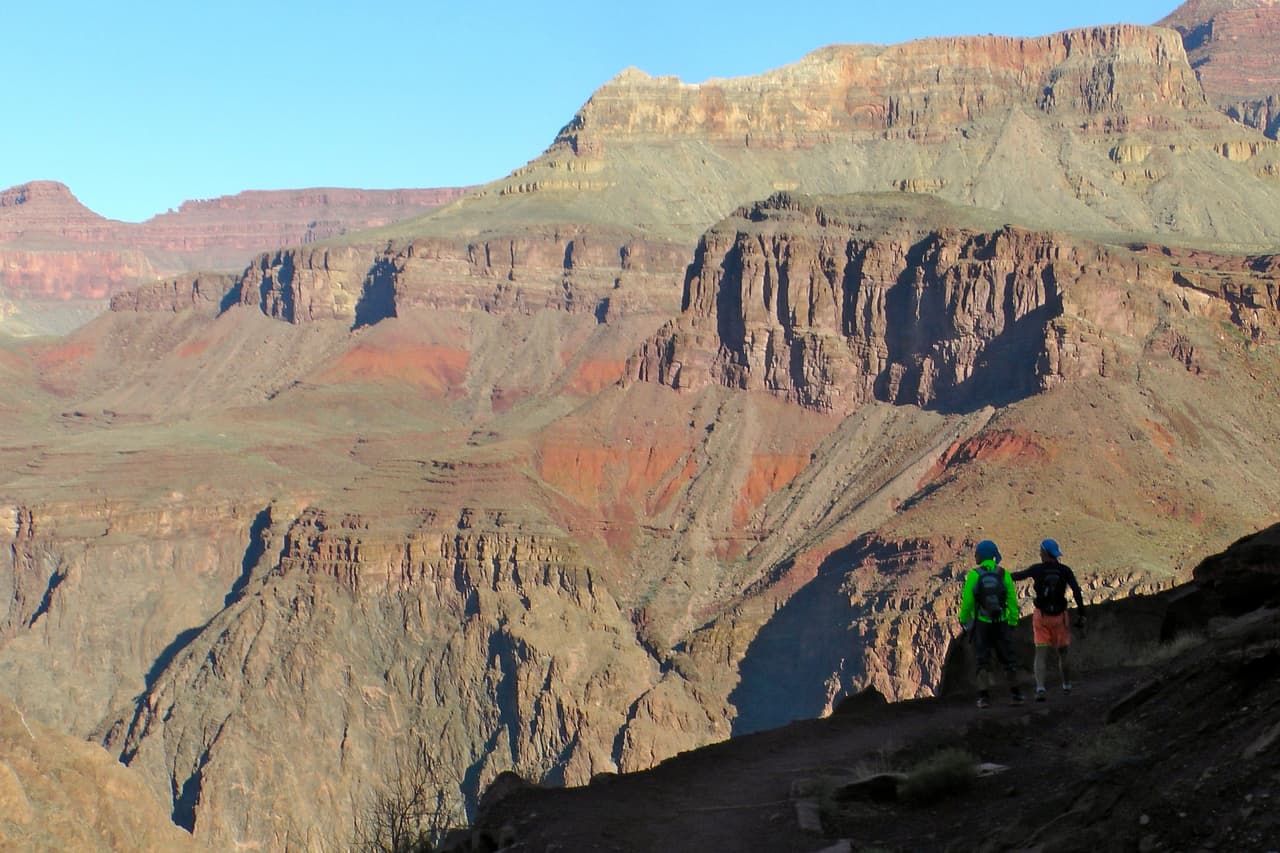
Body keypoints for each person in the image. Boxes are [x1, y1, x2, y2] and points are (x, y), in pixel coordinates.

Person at [1011, 538, 1086, 701]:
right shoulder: (1065, 570)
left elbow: (1017, 576)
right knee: (1063, 653)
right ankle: (1066, 685)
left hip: (1041, 617)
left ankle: (1040, 688)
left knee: (1040, 653)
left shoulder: (1037, 569)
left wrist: (999, 574)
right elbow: (1076, 591)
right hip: (1060, 617)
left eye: (1040, 551)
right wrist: (1082, 613)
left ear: (1044, 553)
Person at [958, 539, 1024, 708]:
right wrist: (1013, 621)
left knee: (982, 661)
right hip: (1001, 622)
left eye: (977, 553)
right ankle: (1016, 694)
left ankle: (984, 698)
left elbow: (968, 602)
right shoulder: (1004, 574)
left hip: (982, 624)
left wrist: (965, 621)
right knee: (1008, 660)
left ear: (982, 555)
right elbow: (1012, 601)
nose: (975, 555)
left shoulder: (974, 575)